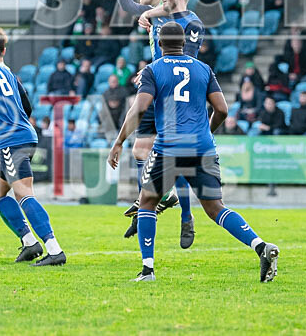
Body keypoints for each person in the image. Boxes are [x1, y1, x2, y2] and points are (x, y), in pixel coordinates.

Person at [107, 22, 279, 282]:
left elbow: (140, 108)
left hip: (170, 148)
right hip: (202, 147)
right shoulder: (203, 69)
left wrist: (119, 140)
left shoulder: (153, 70)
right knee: (215, 208)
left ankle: (147, 270)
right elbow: (221, 109)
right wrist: (208, 132)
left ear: (160, 44)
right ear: (185, 43)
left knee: (147, 203)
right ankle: (260, 246)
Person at [106, 0, 204, 247]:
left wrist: (149, 17)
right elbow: (128, 6)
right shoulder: (155, 15)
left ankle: (187, 217)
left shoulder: (188, 21)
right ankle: (150, 205)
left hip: (175, 93)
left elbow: (187, 61)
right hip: (155, 86)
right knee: (139, 149)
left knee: (179, 160)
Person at [0, 37, 66, 266]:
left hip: (12, 140)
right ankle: (29, 243)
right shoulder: (5, 71)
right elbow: (26, 107)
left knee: (24, 193)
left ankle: (54, 249)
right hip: (26, 134)